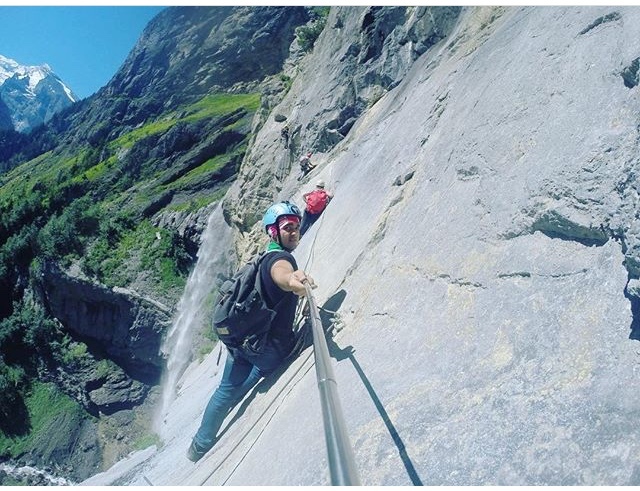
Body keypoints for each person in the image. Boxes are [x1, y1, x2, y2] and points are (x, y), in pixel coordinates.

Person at [187, 201, 315, 463]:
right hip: (266, 349)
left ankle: (199, 446)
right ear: (273, 232)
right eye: (288, 227)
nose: (295, 232)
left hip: (241, 340)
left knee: (224, 390)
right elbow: (282, 274)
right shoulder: (281, 259)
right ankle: (242, 391)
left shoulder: (260, 257)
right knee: (259, 372)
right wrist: (294, 281)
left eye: (296, 227)